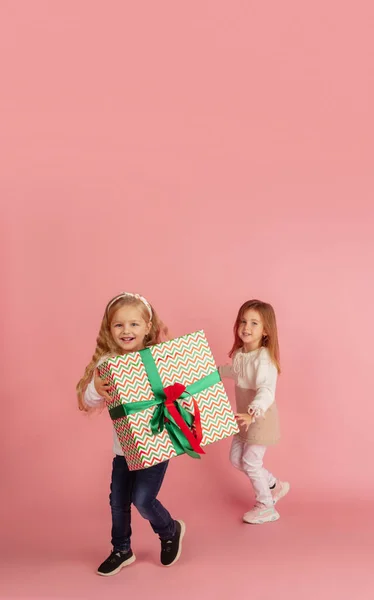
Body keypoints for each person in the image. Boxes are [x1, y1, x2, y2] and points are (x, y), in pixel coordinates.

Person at [77, 292, 185, 575]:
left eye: (134, 324)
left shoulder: (158, 360)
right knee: (117, 502)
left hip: (157, 446)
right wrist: (95, 390)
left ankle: (169, 530)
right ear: (109, 329)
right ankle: (121, 549)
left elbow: (182, 394)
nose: (127, 331)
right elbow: (89, 402)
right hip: (122, 451)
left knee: (142, 500)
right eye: (119, 325)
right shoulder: (107, 365)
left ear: (147, 327)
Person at [219, 299, 290, 524]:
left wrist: (253, 412)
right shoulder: (241, 354)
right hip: (244, 417)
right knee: (236, 459)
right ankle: (273, 485)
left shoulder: (264, 359)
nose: (246, 327)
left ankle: (266, 506)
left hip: (259, 417)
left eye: (254, 323)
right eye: (243, 321)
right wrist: (215, 372)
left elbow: (267, 391)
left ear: (266, 331)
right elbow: (237, 372)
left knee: (250, 461)